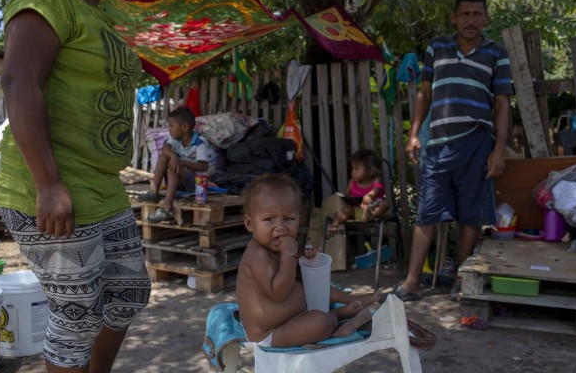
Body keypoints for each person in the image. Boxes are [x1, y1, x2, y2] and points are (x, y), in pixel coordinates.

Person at [0, 0, 151, 372]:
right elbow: (18, 80)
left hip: (102, 184)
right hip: (52, 182)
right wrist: (48, 182)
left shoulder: (104, 8)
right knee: (77, 314)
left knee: (127, 294)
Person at [389, 0, 513, 302]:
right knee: (427, 213)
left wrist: (499, 150)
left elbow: (502, 104)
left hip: (476, 141)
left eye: (477, 14)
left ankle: (461, 278)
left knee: (470, 215)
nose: (471, 20)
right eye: (465, 14)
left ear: (486, 19)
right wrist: (413, 134)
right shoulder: (437, 47)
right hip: (438, 144)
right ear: (454, 18)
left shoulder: (497, 53)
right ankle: (412, 281)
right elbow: (424, 94)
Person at [236, 173, 382, 348]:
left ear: (300, 218)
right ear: (250, 224)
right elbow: (279, 293)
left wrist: (305, 261)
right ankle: (338, 315)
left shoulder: (279, 248)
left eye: (289, 219)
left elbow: (294, 277)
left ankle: (352, 300)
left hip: (292, 318)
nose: (280, 226)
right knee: (321, 323)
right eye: (269, 219)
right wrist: (289, 255)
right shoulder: (257, 254)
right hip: (270, 334)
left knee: (320, 287)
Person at [138, 107, 213, 223]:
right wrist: (174, 156)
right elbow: (165, 148)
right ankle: (154, 192)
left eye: (171, 126)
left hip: (196, 184)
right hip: (177, 181)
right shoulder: (175, 140)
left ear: (184, 127)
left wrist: (182, 162)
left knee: (174, 165)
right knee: (165, 156)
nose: (169, 129)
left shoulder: (199, 143)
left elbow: (204, 167)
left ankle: (167, 207)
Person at [327, 149, 390, 234]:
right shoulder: (352, 182)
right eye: (353, 168)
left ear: (370, 171)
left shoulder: (376, 180)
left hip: (372, 208)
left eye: (357, 169)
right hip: (356, 211)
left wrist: (369, 197)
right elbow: (347, 194)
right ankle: (335, 224)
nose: (353, 172)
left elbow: (375, 191)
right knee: (345, 209)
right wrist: (346, 199)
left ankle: (370, 216)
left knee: (385, 204)